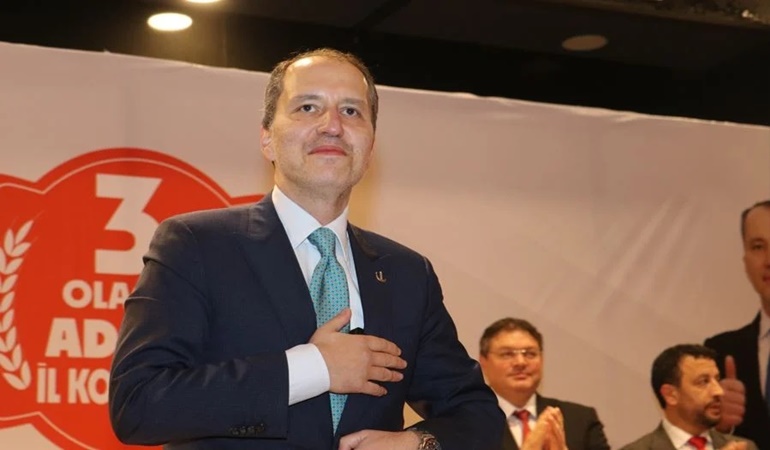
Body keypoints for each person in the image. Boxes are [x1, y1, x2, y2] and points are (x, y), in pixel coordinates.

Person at [108, 48, 506, 450]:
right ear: (267, 138)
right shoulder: (196, 245)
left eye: (351, 111)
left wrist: (417, 444)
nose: (332, 125)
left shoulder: (407, 273)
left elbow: (478, 415)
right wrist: (314, 368)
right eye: (308, 107)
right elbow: (138, 403)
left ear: (370, 147)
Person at [478, 318, 610, 450]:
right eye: (507, 354)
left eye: (530, 354)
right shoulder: (468, 421)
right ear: (483, 362)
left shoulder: (580, 419)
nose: (520, 362)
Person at [704, 199, 770, 450]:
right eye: (758, 247)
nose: (769, 259)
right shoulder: (720, 352)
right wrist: (720, 428)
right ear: (745, 261)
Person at [619, 344, 757, 450]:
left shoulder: (745, 447)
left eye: (717, 379)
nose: (718, 391)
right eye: (703, 382)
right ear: (670, 395)